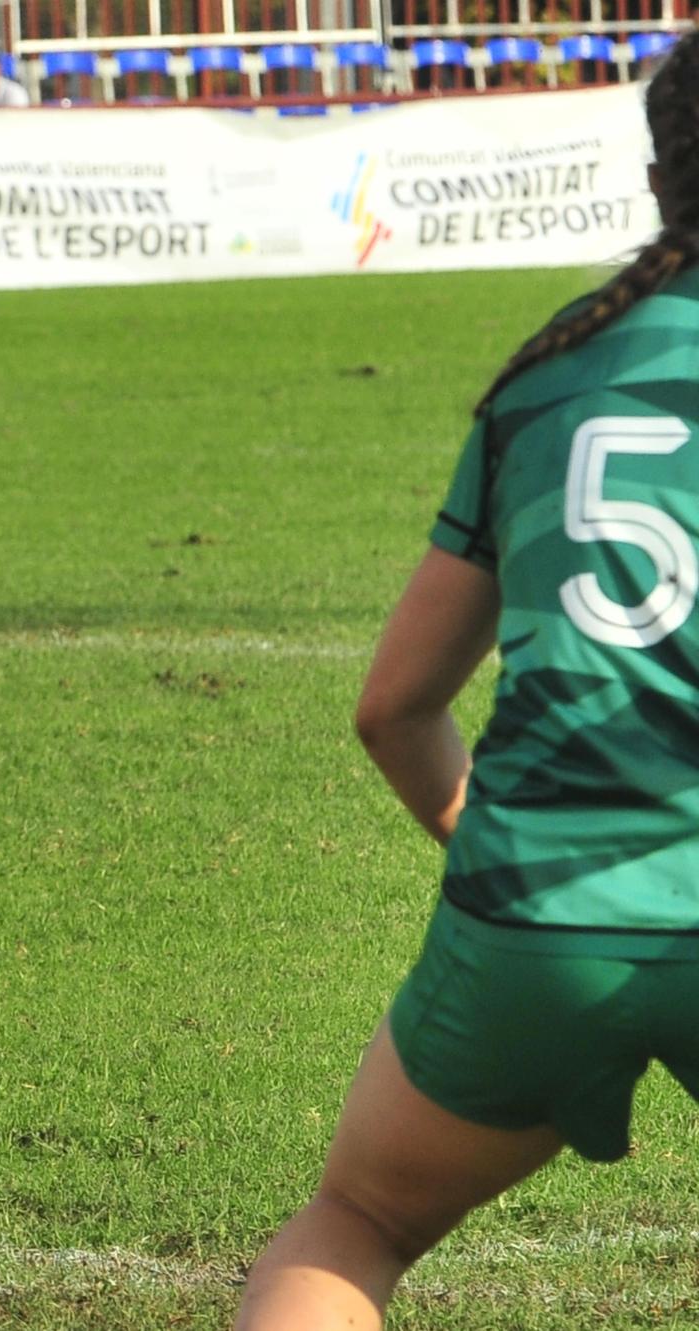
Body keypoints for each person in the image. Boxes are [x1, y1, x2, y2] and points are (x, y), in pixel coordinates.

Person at [237, 32, 699, 1330]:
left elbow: (395, 707)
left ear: (664, 170)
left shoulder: (553, 367)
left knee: (358, 1223)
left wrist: (500, 853)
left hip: (538, 899)